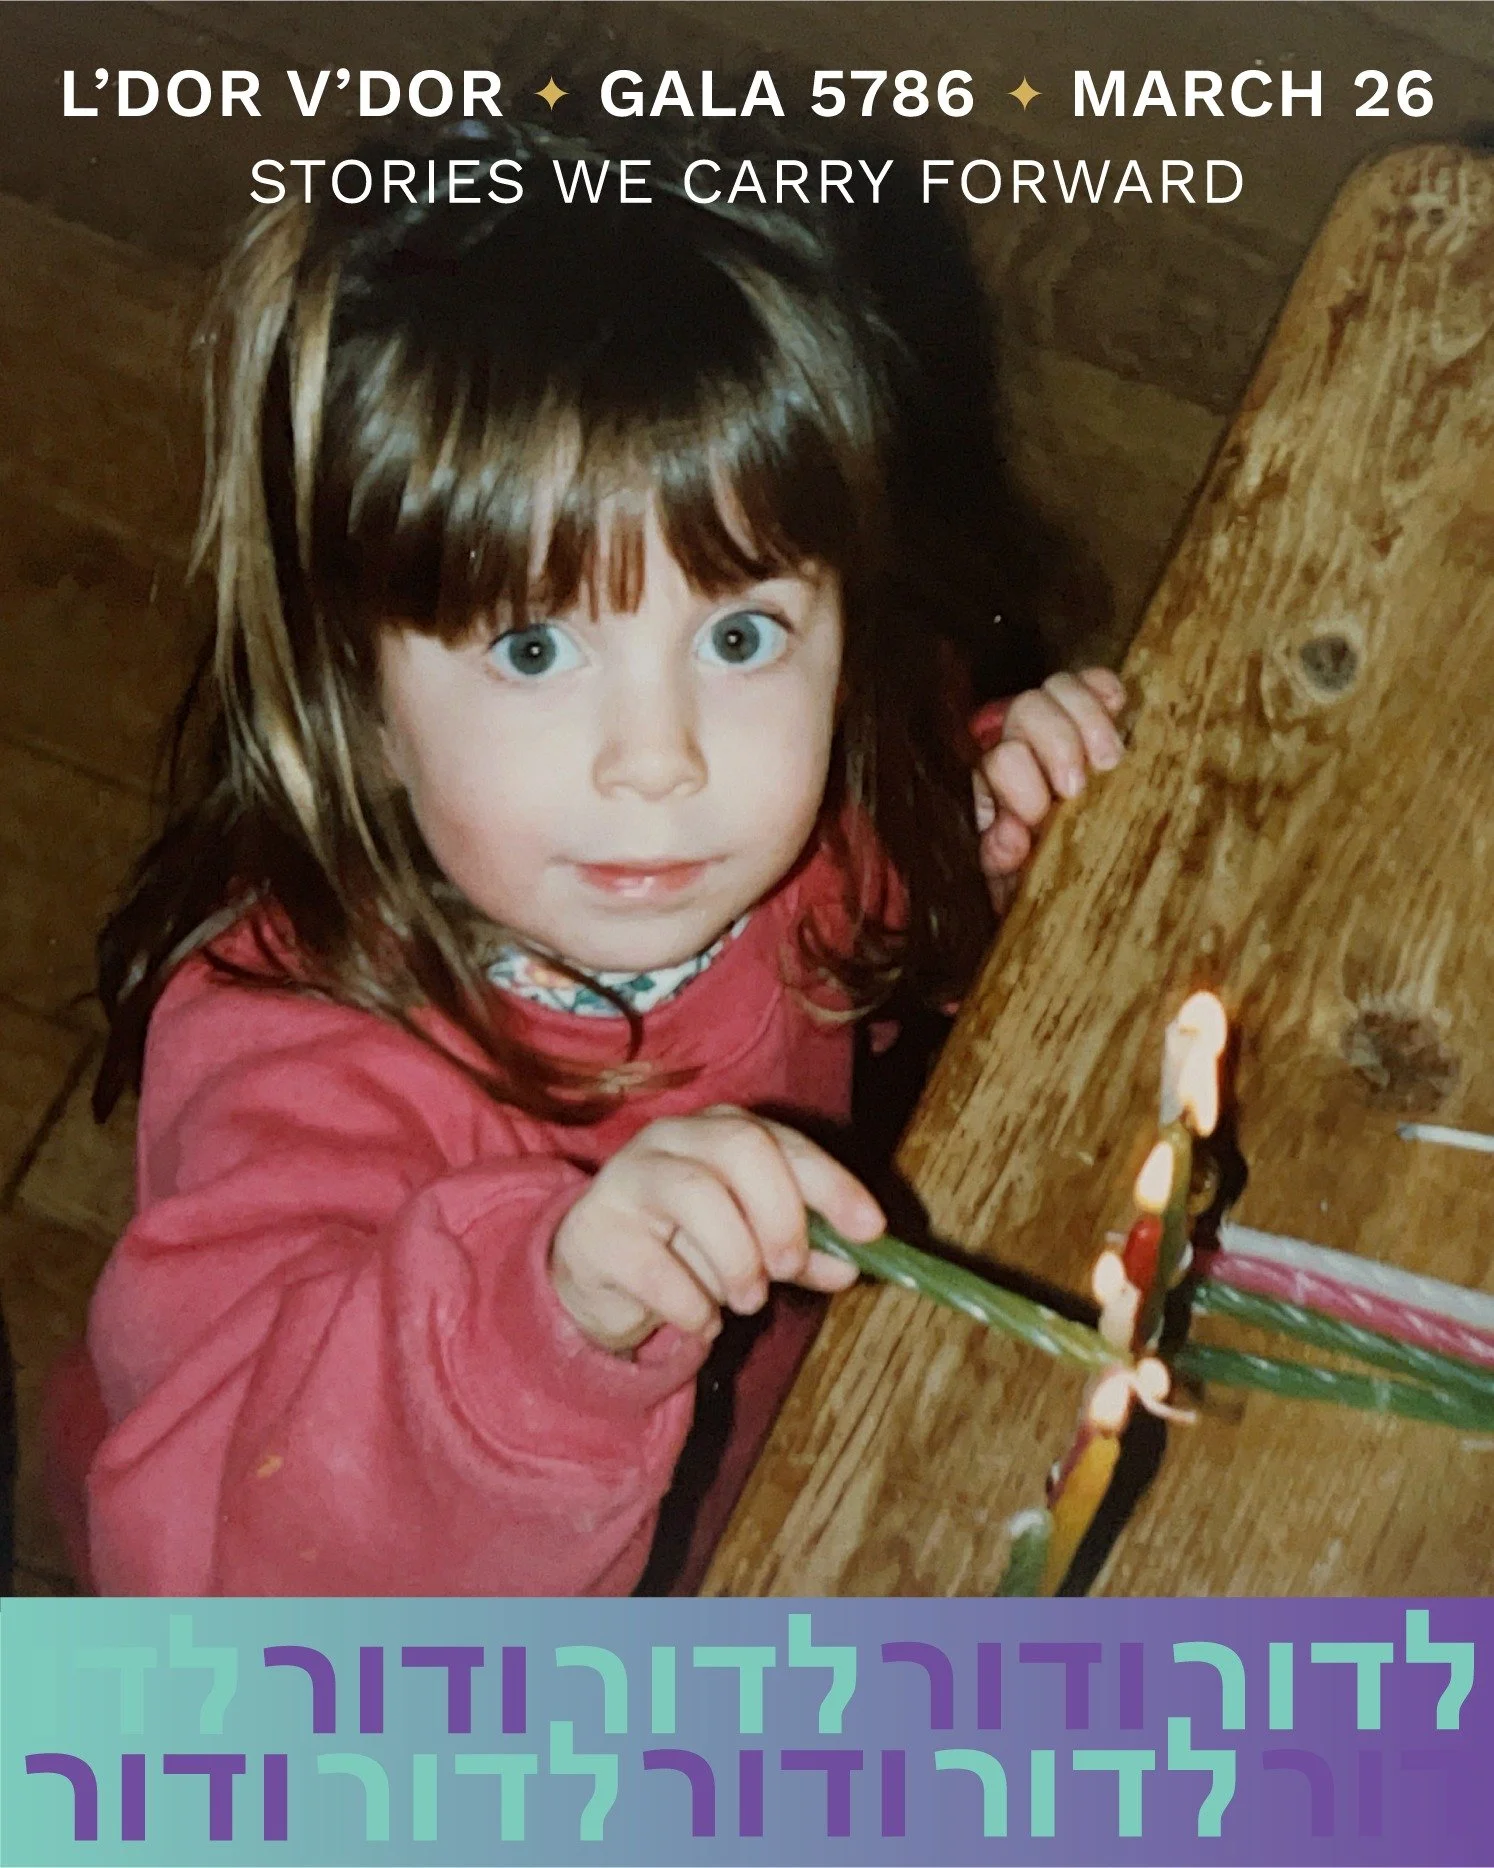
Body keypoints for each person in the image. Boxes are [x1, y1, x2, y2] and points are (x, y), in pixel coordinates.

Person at [49, 121, 1125, 1595]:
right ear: (353, 697)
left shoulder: (756, 823)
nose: (659, 758)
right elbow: (240, 1583)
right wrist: (545, 1321)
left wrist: (986, 829)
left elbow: (872, 905)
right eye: (536, 646)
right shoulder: (292, 1058)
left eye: (738, 636)